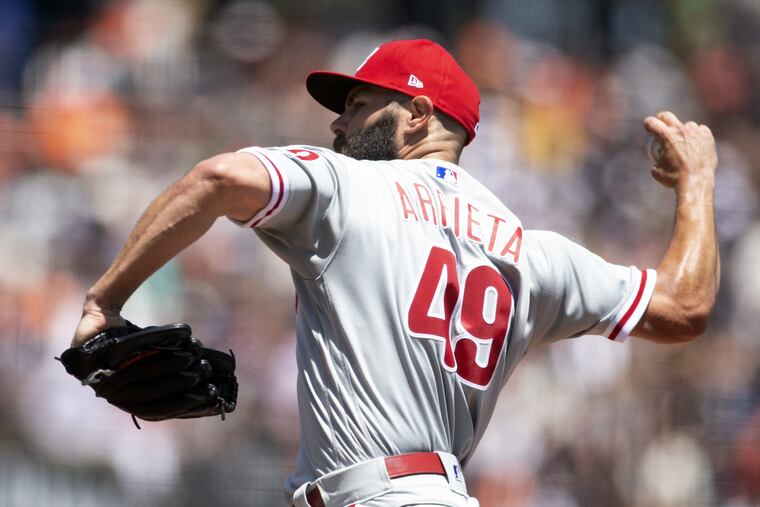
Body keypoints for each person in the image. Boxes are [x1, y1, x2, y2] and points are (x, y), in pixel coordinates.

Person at [71, 39, 719, 507]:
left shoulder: (353, 187)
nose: (338, 120)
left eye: (357, 104)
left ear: (417, 115)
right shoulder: (531, 251)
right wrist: (697, 183)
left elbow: (217, 178)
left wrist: (105, 300)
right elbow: (683, 305)